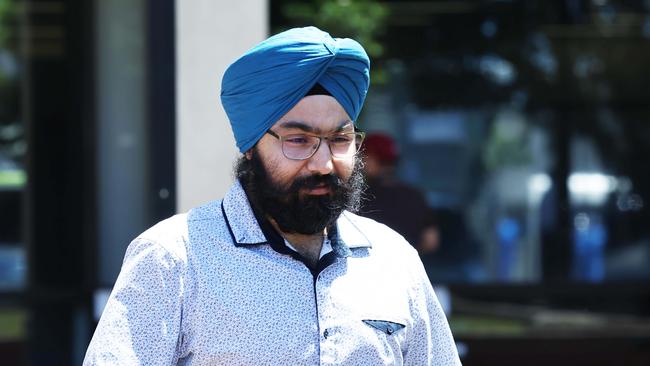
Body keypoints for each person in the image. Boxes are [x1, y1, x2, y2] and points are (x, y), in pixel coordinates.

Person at [84, 26, 461, 365]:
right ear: (251, 147)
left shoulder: (393, 260)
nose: (324, 163)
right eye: (299, 141)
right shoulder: (175, 257)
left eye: (340, 140)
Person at [361, 132, 441, 255]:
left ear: (373, 158)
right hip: (407, 269)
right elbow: (431, 241)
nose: (360, 163)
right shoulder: (415, 196)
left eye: (364, 157)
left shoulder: (360, 197)